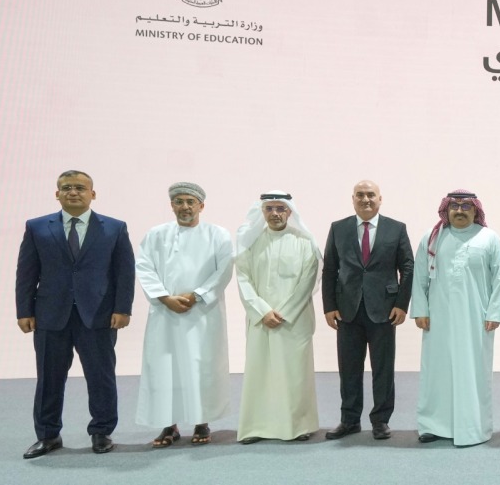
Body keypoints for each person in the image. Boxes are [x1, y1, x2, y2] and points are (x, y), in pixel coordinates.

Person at [17, 170, 135, 458]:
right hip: (49, 315)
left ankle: (101, 431)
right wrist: (24, 311)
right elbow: (26, 272)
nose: (73, 192)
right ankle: (47, 435)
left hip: (98, 315)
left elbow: (124, 272)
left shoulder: (114, 228)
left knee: (101, 377)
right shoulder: (37, 227)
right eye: (66, 188)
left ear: (92, 193)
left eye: (80, 188)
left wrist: (123, 308)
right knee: (48, 378)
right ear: (56, 193)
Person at [135, 182, 233, 448]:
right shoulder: (156, 235)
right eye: (179, 202)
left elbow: (223, 270)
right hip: (165, 315)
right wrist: (165, 297)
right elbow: (144, 267)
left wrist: (196, 295)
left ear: (201, 205)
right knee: (165, 368)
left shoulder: (218, 234)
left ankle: (202, 422)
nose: (185, 207)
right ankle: (169, 425)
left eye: (190, 202)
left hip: (202, 314)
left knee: (202, 366)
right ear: (172, 205)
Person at [410, 190, 500, 446]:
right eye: (455, 206)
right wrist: (420, 309)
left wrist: (495, 312)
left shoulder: (489, 238)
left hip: (477, 319)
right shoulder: (432, 238)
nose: (460, 211)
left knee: (473, 371)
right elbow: (419, 276)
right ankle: (433, 425)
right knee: (437, 371)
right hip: (438, 319)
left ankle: (473, 426)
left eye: (466, 207)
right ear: (446, 209)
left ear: (476, 211)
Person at [321, 180, 414, 441]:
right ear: (352, 199)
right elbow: (330, 269)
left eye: (370, 195)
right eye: (360, 195)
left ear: (380, 198)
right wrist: (329, 306)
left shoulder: (396, 229)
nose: (365, 199)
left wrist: (401, 304)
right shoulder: (338, 228)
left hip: (384, 309)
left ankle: (381, 420)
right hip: (347, 310)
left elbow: (407, 268)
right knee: (348, 368)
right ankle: (349, 420)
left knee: (383, 368)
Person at [234, 191, 320, 443]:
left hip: (294, 321)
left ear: (289, 212)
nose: (275, 214)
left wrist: (284, 313)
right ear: (262, 212)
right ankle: (255, 428)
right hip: (261, 321)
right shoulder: (250, 243)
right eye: (269, 209)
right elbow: (243, 278)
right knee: (260, 374)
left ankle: (298, 426)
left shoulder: (305, 242)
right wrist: (262, 311)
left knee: (295, 375)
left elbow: (308, 280)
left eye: (280, 209)